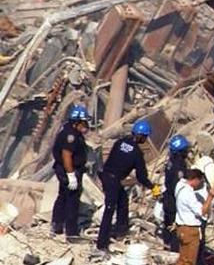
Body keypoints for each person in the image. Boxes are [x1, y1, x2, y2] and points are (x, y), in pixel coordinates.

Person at [96, 118, 156, 252]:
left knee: (123, 201)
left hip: (106, 175)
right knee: (109, 210)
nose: (145, 139)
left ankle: (121, 230)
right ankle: (102, 244)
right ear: (140, 135)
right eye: (145, 137)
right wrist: (153, 187)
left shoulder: (120, 142)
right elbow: (141, 177)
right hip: (113, 180)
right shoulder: (137, 153)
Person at [51, 104, 92, 238]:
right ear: (77, 122)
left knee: (62, 196)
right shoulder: (71, 136)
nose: (86, 125)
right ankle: (71, 232)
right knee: (72, 200)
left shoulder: (69, 130)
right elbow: (66, 155)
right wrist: (71, 175)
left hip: (65, 169)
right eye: (84, 122)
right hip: (68, 170)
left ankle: (57, 225)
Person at [173, 169, 214, 265]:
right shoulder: (188, 193)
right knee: (189, 262)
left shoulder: (179, 185)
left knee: (182, 259)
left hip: (181, 228)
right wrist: (210, 196)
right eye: (199, 181)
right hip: (190, 230)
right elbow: (202, 211)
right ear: (195, 179)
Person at [161, 134, 191, 251]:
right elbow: (178, 185)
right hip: (174, 200)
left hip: (168, 198)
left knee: (168, 225)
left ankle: (167, 246)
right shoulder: (179, 165)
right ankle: (174, 251)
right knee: (175, 227)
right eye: (185, 150)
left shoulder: (171, 162)